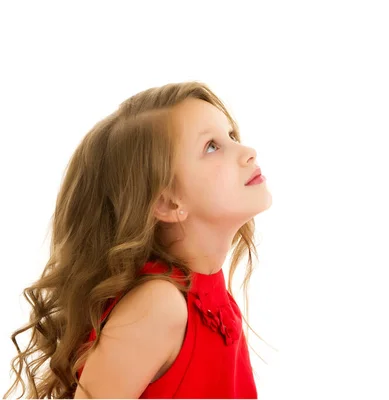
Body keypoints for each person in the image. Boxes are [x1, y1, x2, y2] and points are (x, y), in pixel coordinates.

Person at [3, 81, 272, 399]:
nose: (247, 152)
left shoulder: (208, 297)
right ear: (168, 202)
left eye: (231, 136)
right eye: (212, 146)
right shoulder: (160, 306)